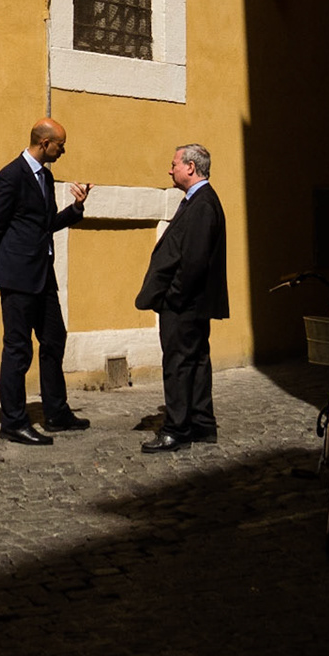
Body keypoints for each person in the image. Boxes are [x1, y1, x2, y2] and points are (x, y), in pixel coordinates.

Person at [0, 118, 91, 446]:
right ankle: (13, 422)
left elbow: (44, 226)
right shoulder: (11, 176)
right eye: (60, 145)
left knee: (54, 339)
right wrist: (2, 268)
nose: (64, 150)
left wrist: (75, 209)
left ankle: (56, 413)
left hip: (43, 276)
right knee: (18, 349)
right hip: (18, 277)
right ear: (44, 143)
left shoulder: (45, 176)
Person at [134, 144, 229, 453]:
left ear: (190, 167)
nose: (170, 169)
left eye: (174, 163)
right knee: (197, 361)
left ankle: (176, 429)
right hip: (193, 303)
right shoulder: (199, 200)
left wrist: (174, 297)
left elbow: (195, 260)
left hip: (185, 305)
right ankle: (202, 424)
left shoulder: (202, 204)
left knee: (178, 364)